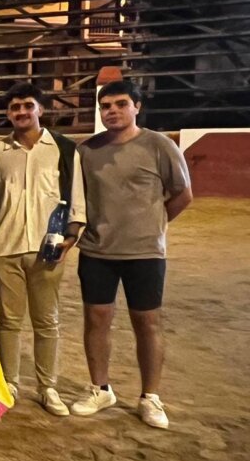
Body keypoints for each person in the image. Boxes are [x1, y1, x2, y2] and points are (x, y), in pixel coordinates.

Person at [70, 80, 192, 428]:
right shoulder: (87, 150)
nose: (112, 111)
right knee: (96, 319)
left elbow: (183, 195)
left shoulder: (160, 145)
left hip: (145, 253)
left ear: (137, 106)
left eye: (121, 104)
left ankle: (150, 396)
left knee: (147, 322)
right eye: (105, 106)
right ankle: (100, 388)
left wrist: (152, 226)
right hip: (97, 250)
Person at [0, 82, 85, 416]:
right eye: (15, 108)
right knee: (9, 320)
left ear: (41, 109)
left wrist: (71, 238)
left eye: (28, 105)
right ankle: (9, 382)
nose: (22, 112)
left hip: (49, 248)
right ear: (8, 114)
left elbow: (77, 198)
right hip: (5, 245)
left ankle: (47, 386)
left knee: (47, 321)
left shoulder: (63, 148)